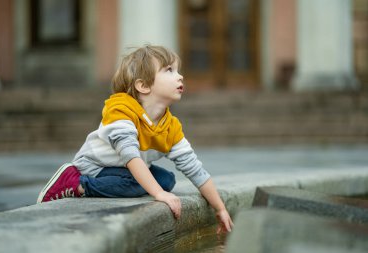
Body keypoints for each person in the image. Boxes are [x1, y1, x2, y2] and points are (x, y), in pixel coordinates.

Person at [36, 45, 233, 233]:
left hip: (123, 169)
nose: (180, 76)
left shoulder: (170, 126)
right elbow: (131, 157)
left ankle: (136, 185)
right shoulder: (121, 110)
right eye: (169, 70)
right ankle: (73, 183)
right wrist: (158, 194)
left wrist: (220, 208)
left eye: (178, 70)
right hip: (95, 167)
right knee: (137, 185)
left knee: (167, 180)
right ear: (144, 85)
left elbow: (194, 168)